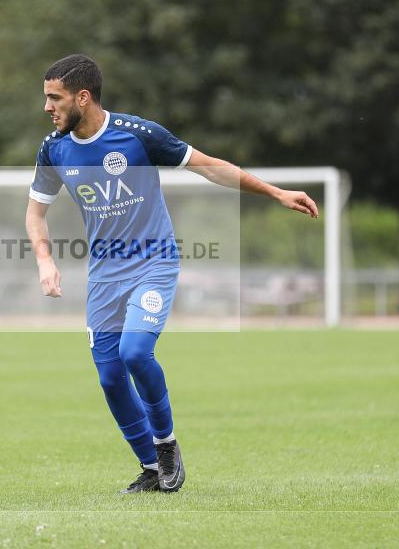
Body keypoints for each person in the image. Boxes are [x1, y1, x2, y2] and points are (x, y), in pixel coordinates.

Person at [25, 54, 318, 494]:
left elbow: (209, 166)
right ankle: (149, 467)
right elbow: (35, 213)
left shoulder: (138, 136)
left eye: (55, 98)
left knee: (136, 352)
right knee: (109, 377)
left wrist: (274, 192)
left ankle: (165, 444)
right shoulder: (54, 149)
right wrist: (45, 261)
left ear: (82, 98)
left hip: (154, 263)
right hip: (105, 276)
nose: (47, 107)